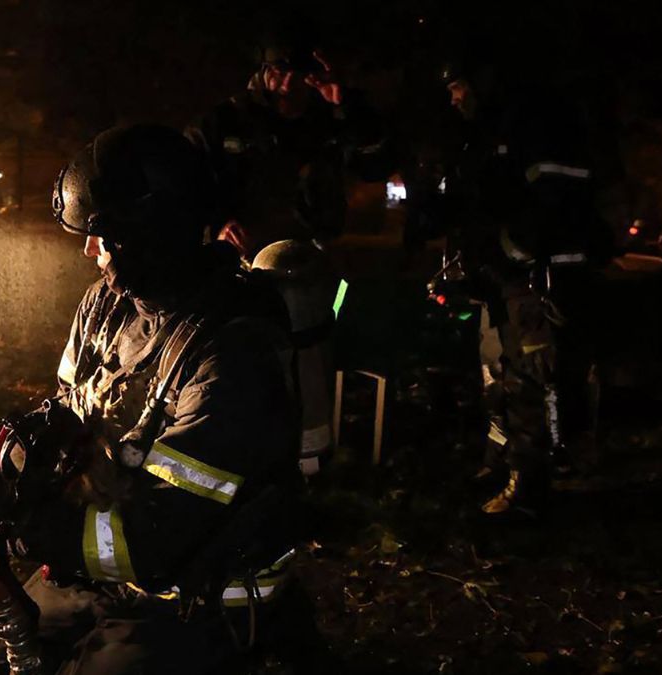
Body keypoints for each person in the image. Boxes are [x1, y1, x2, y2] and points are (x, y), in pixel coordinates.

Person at [0, 125, 310, 673]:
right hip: (114, 569)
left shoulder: (233, 356)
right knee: (9, 653)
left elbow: (157, 538)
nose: (89, 250)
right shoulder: (110, 304)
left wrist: (9, 520)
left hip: (200, 593)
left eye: (101, 236)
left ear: (147, 234)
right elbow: (68, 413)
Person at [431, 59, 608, 518]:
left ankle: (529, 485)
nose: (454, 98)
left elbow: (555, 204)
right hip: (505, 277)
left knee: (532, 378)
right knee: (504, 373)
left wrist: (510, 248)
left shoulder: (532, 123)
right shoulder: (489, 132)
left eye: (458, 86)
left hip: (536, 279)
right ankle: (507, 464)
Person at [186, 27, 390, 261]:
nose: (288, 85)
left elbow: (375, 166)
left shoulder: (330, 120)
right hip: (240, 261)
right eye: (280, 71)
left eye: (300, 74)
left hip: (312, 257)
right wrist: (218, 225)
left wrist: (349, 106)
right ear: (264, 69)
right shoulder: (220, 123)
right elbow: (185, 191)